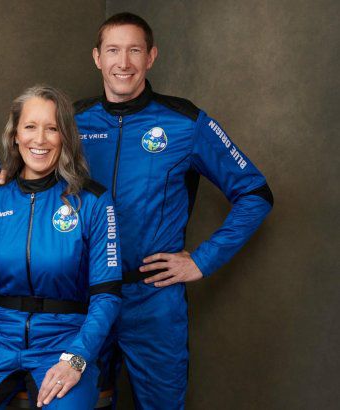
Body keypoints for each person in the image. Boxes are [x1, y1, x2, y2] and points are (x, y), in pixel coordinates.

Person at [72, 12, 274, 409]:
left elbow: (256, 193)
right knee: (80, 402)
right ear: (97, 57)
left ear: (151, 57)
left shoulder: (185, 122)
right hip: (85, 296)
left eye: (134, 50)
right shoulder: (71, 122)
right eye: (113, 50)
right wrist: (1, 181)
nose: (123, 62)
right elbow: (35, 183)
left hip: (153, 300)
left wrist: (201, 260)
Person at [0, 86, 122, 409]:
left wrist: (77, 358)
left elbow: (107, 296)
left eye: (52, 128)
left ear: (66, 137)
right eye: (30, 127)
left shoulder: (93, 202)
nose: (40, 139)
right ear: (15, 135)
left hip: (64, 345)